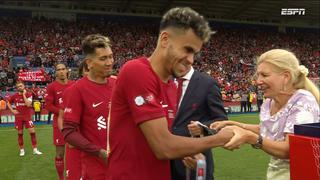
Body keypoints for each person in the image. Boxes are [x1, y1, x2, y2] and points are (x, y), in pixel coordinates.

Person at [105, 7, 233, 180]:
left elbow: (163, 139)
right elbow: (163, 146)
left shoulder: (171, 86)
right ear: (165, 39)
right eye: (187, 49)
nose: (190, 60)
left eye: (194, 53)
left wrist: (188, 153)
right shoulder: (136, 71)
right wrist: (220, 139)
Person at [210, 49, 320, 180]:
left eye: (264, 75)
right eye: (258, 75)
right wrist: (233, 124)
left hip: (300, 174)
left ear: (286, 76)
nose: (258, 81)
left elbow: (290, 149)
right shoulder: (269, 103)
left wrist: (251, 138)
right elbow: (267, 129)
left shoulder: (303, 100)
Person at [62, 34, 116, 179]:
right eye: (103, 58)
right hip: (97, 169)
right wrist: (100, 153)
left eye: (111, 57)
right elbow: (68, 132)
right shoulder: (77, 90)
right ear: (89, 63)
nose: (109, 62)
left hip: (122, 164)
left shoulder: (117, 84)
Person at [171, 66, 227, 180]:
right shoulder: (167, 81)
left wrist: (203, 128)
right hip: (166, 158)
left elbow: (222, 120)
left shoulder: (207, 83)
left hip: (195, 159)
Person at [45, 63, 74, 180]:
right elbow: (48, 105)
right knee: (60, 153)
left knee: (75, 151)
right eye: (59, 70)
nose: (61, 71)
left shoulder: (74, 85)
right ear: (56, 73)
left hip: (74, 123)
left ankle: (75, 175)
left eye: (63, 69)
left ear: (67, 71)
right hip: (59, 123)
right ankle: (61, 178)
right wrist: (61, 112)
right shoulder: (52, 87)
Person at [61, 59, 89, 180]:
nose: (90, 72)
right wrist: (69, 138)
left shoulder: (110, 88)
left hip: (97, 145)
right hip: (76, 144)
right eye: (87, 70)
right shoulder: (71, 91)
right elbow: (62, 116)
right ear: (82, 72)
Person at [7, 81, 42, 156]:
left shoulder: (29, 94)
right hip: (18, 117)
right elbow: (8, 102)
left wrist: (23, 95)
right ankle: (22, 150)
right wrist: (12, 110)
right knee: (20, 133)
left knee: (32, 132)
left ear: (24, 86)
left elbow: (28, 104)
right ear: (17, 88)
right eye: (18, 86)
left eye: (21, 86)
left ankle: (35, 150)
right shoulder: (14, 96)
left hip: (27, 117)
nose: (20, 87)